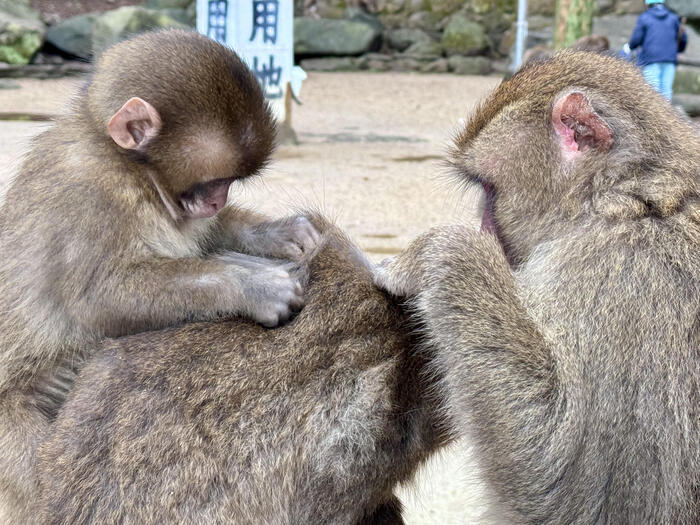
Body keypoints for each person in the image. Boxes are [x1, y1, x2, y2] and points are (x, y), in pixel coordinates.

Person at [628, 0, 687, 100]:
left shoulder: (644, 17)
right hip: (669, 59)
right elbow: (683, 38)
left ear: (647, 3)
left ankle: (653, 116)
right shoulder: (673, 17)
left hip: (650, 59)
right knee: (666, 91)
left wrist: (630, 46)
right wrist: (678, 50)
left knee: (652, 92)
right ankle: (666, 115)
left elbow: (636, 39)